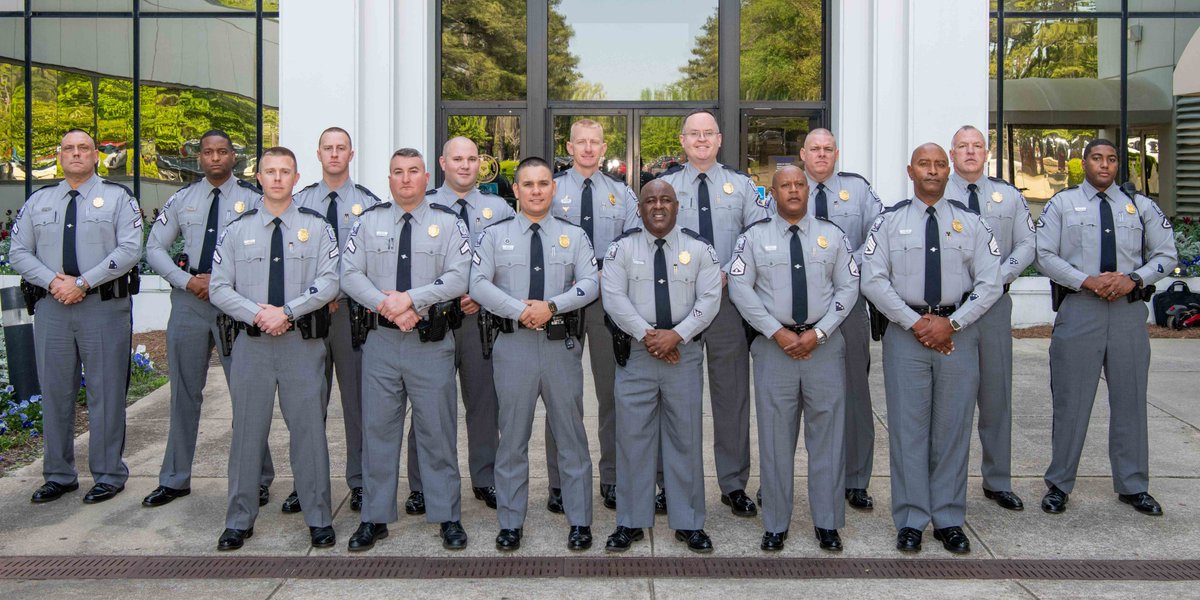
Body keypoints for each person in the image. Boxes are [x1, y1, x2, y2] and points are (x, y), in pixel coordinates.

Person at [860, 143, 1002, 555]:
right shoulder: (888, 223)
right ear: (911, 170)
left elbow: (990, 282)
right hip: (907, 336)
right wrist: (915, 321)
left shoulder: (972, 223)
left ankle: (949, 518)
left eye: (940, 164)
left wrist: (952, 322)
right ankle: (910, 519)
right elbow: (873, 279)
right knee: (908, 431)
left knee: (953, 430)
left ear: (948, 171)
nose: (934, 170)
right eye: (926, 163)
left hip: (958, 333)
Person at [1035, 138, 1177, 516]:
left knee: (1130, 401)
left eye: (1112, 159)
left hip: (1128, 314)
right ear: (1084, 163)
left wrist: (1135, 278)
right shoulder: (1062, 204)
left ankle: (1133, 485)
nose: (1105, 165)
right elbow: (1044, 253)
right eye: (1097, 158)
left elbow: (1166, 254)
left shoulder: (1141, 206)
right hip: (1081, 309)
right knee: (1071, 402)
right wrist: (1085, 280)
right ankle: (1059, 484)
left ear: (1118, 165)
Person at [208, 146, 339, 551]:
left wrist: (287, 311)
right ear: (259, 178)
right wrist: (257, 314)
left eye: (286, 172)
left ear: (297, 179)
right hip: (253, 345)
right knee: (247, 433)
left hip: (302, 343)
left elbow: (329, 281)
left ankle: (318, 517)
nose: (278, 178)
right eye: (270, 171)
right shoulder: (237, 229)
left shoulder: (318, 228)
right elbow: (218, 287)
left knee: (309, 434)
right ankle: (239, 519)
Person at [341, 148, 472, 552]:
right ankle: (374, 518)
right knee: (378, 432)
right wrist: (389, 306)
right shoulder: (368, 222)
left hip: (430, 344)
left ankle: (446, 515)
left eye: (413, 171)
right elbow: (348, 274)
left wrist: (411, 300)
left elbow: (459, 275)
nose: (405, 179)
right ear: (389, 178)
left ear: (426, 175)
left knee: (437, 431)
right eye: (397, 172)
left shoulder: (448, 224)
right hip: (381, 341)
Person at [469, 156, 598, 552]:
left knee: (571, 436)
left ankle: (579, 520)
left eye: (543, 183)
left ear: (553, 188)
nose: (537, 190)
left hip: (561, 347)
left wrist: (552, 306)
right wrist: (519, 309)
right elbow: (477, 283)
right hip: (514, 347)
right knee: (512, 439)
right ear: (517, 190)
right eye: (528, 184)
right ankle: (510, 522)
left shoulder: (574, 236)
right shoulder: (495, 235)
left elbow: (592, 282)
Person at [728, 164, 859, 552]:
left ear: (809, 190)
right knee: (774, 438)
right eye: (785, 185)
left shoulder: (832, 235)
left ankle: (828, 522)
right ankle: (776, 524)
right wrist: (775, 331)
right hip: (774, 349)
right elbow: (740, 287)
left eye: (800, 184)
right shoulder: (753, 238)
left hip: (824, 345)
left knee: (828, 438)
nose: (794, 190)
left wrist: (820, 332)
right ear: (773, 193)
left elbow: (848, 286)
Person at [143, 129, 275, 509]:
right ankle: (175, 477)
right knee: (184, 391)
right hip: (191, 301)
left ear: (234, 157)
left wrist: (223, 285)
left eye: (222, 152)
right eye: (208, 152)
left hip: (237, 303)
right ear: (198, 157)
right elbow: (155, 246)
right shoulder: (183, 199)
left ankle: (257, 477)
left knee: (247, 395)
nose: (215, 158)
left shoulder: (255, 199)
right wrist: (186, 281)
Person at [11, 129, 143, 505]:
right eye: (68, 149)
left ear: (96, 156)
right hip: (53, 307)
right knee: (55, 392)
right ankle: (58, 474)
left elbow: (131, 249)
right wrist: (54, 281)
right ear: (59, 156)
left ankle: (108, 473)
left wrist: (83, 282)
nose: (75, 154)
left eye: (83, 148)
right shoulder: (39, 201)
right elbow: (19, 251)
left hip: (103, 307)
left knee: (106, 391)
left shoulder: (119, 199)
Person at [657, 109, 770, 517]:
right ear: (682, 141)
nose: (701, 140)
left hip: (726, 304)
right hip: (678, 305)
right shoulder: (665, 185)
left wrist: (727, 272)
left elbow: (758, 236)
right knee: (673, 399)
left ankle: (734, 483)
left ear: (719, 140)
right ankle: (668, 483)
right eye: (694, 134)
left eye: (708, 134)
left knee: (731, 396)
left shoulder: (742, 186)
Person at [601, 179, 722, 554]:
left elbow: (710, 299)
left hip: (683, 356)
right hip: (637, 355)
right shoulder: (620, 249)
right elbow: (613, 298)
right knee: (632, 438)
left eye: (665, 199)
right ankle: (630, 521)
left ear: (676, 205)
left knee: (685, 437)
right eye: (650, 200)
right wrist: (649, 335)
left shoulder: (700, 248)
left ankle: (689, 522)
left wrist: (677, 335)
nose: (658, 206)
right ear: (639, 207)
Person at [405, 136, 514, 516]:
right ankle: (421, 485)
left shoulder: (499, 208)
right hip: (432, 319)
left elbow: (509, 259)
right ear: (443, 163)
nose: (465, 166)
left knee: (484, 403)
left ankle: (485, 479)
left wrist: (485, 293)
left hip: (478, 320)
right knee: (428, 405)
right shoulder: (424, 205)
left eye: (472, 159)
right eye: (458, 159)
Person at [546, 119, 640, 512]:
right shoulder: (550, 189)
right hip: (561, 298)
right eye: (580, 142)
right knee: (561, 395)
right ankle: (560, 481)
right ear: (569, 147)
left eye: (595, 142)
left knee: (611, 393)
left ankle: (613, 477)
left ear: (604, 148)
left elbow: (637, 244)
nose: (587, 148)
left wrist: (608, 275)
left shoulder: (622, 194)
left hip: (606, 300)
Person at [289, 126, 383, 515]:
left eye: (340, 148)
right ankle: (305, 485)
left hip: (350, 314)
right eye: (327, 148)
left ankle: (360, 482)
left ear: (351, 153)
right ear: (318, 153)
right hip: (308, 314)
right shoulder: (298, 201)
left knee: (358, 404)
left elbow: (376, 260)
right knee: (307, 404)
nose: (334, 154)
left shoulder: (370, 203)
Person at [946, 125, 1036, 511]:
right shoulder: (936, 193)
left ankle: (997, 480)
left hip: (995, 307)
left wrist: (997, 277)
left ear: (987, 152)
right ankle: (947, 484)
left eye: (977, 146)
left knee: (996, 396)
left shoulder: (1008, 195)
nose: (970, 152)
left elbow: (1028, 243)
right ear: (952, 154)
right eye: (962, 146)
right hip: (953, 309)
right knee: (952, 402)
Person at [799, 128, 881, 511]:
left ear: (836, 153)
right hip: (796, 307)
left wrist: (845, 268)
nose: (821, 155)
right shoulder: (787, 188)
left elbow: (877, 238)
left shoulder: (859, 191)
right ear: (802, 154)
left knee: (853, 393)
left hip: (847, 304)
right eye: (814, 149)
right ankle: (780, 478)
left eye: (827, 149)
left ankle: (855, 478)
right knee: (788, 397)